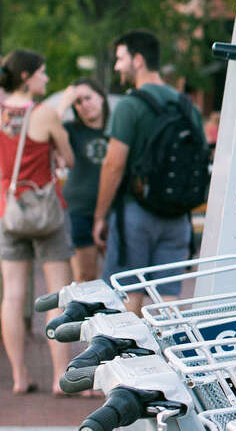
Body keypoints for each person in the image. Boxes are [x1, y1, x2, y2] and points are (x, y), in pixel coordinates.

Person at [93, 30, 198, 313]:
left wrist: (100, 215)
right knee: (168, 299)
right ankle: (172, 354)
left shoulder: (130, 106)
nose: (117, 67)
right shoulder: (187, 106)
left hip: (134, 214)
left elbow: (114, 165)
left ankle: (130, 355)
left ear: (138, 60)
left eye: (120, 59)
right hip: (177, 217)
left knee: (128, 295)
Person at [0, 50, 76, 395]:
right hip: (46, 212)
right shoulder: (44, 114)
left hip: (7, 210)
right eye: (43, 73)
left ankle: (19, 377)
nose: (47, 79)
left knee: (13, 295)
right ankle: (61, 377)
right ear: (27, 76)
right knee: (57, 294)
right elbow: (68, 157)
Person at [51, 79, 110, 283]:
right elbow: (46, 134)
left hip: (114, 211)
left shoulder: (118, 127)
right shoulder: (71, 129)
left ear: (101, 97)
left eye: (88, 98)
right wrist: (64, 104)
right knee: (86, 278)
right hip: (80, 212)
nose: (84, 105)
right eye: (78, 102)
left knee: (120, 281)